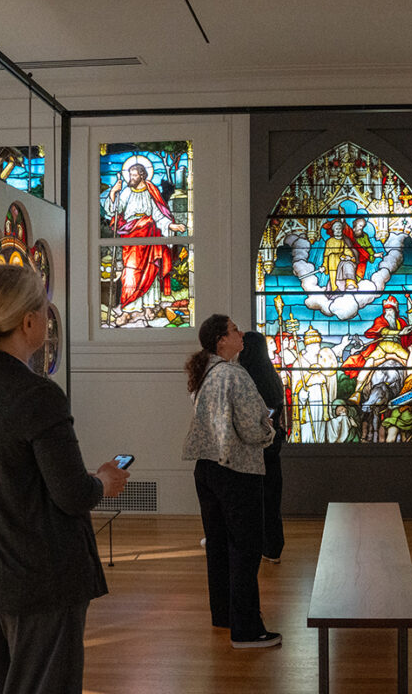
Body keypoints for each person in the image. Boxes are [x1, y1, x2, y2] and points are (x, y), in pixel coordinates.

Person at [0, 265, 129, 694]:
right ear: (28, 322)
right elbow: (72, 496)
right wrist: (103, 482)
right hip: (38, 584)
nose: (49, 320)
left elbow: (8, 476)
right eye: (46, 311)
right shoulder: (38, 395)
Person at [182, 314, 280, 648]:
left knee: (220, 547)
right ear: (221, 340)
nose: (240, 334)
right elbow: (252, 427)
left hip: (206, 470)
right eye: (234, 330)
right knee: (245, 550)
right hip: (237, 471)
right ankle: (247, 630)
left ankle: (224, 615)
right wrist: (270, 429)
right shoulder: (234, 375)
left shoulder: (205, 373)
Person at [102, 162, 186, 325]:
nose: (131, 178)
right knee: (131, 275)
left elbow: (158, 215)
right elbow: (114, 210)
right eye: (130, 175)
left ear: (142, 175)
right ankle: (128, 310)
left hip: (149, 235)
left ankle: (148, 307)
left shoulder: (150, 191)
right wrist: (113, 192)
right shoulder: (125, 192)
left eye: (134, 175)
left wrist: (171, 225)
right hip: (132, 237)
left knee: (151, 272)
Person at [238, 331, 287, 564]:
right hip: (273, 443)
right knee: (271, 496)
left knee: (250, 498)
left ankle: (253, 545)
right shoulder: (272, 375)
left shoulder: (246, 376)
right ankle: (273, 547)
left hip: (254, 444)